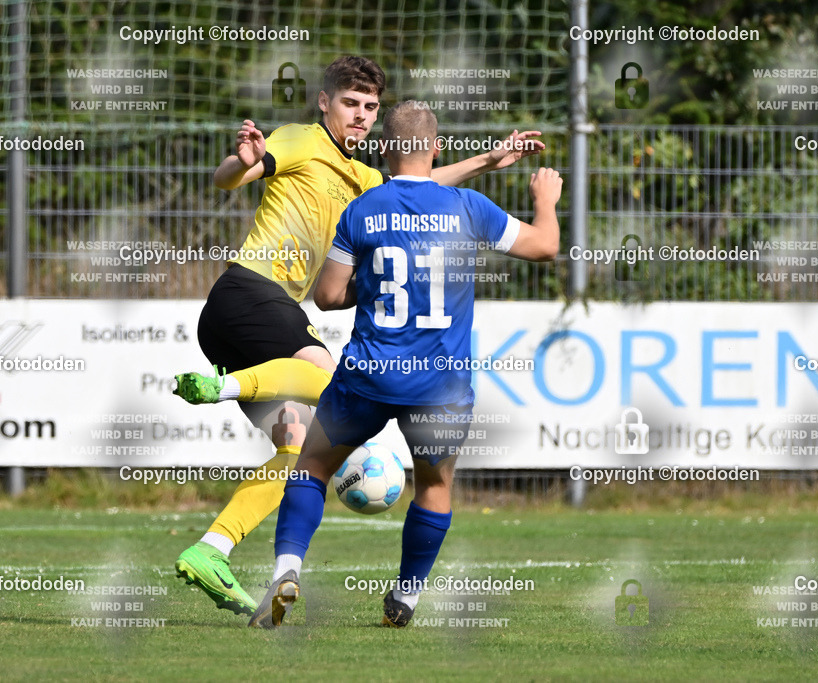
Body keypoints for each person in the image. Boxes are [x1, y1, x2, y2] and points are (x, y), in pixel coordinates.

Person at [171, 57, 546, 616]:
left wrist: (488, 160)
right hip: (250, 293)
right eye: (351, 103)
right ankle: (219, 388)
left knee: (298, 446)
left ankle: (213, 547)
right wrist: (240, 163)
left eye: (371, 107)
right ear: (324, 102)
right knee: (325, 367)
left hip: (259, 318)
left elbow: (421, 185)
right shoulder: (300, 139)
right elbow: (236, 173)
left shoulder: (369, 184)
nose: (362, 116)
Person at [247, 101, 562, 628]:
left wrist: (369, 284)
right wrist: (544, 199)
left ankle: (286, 570)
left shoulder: (363, 210)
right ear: (436, 149)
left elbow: (326, 296)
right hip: (440, 385)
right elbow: (546, 246)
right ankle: (407, 598)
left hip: (369, 374)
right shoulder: (469, 207)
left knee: (314, 466)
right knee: (434, 485)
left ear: (383, 148)